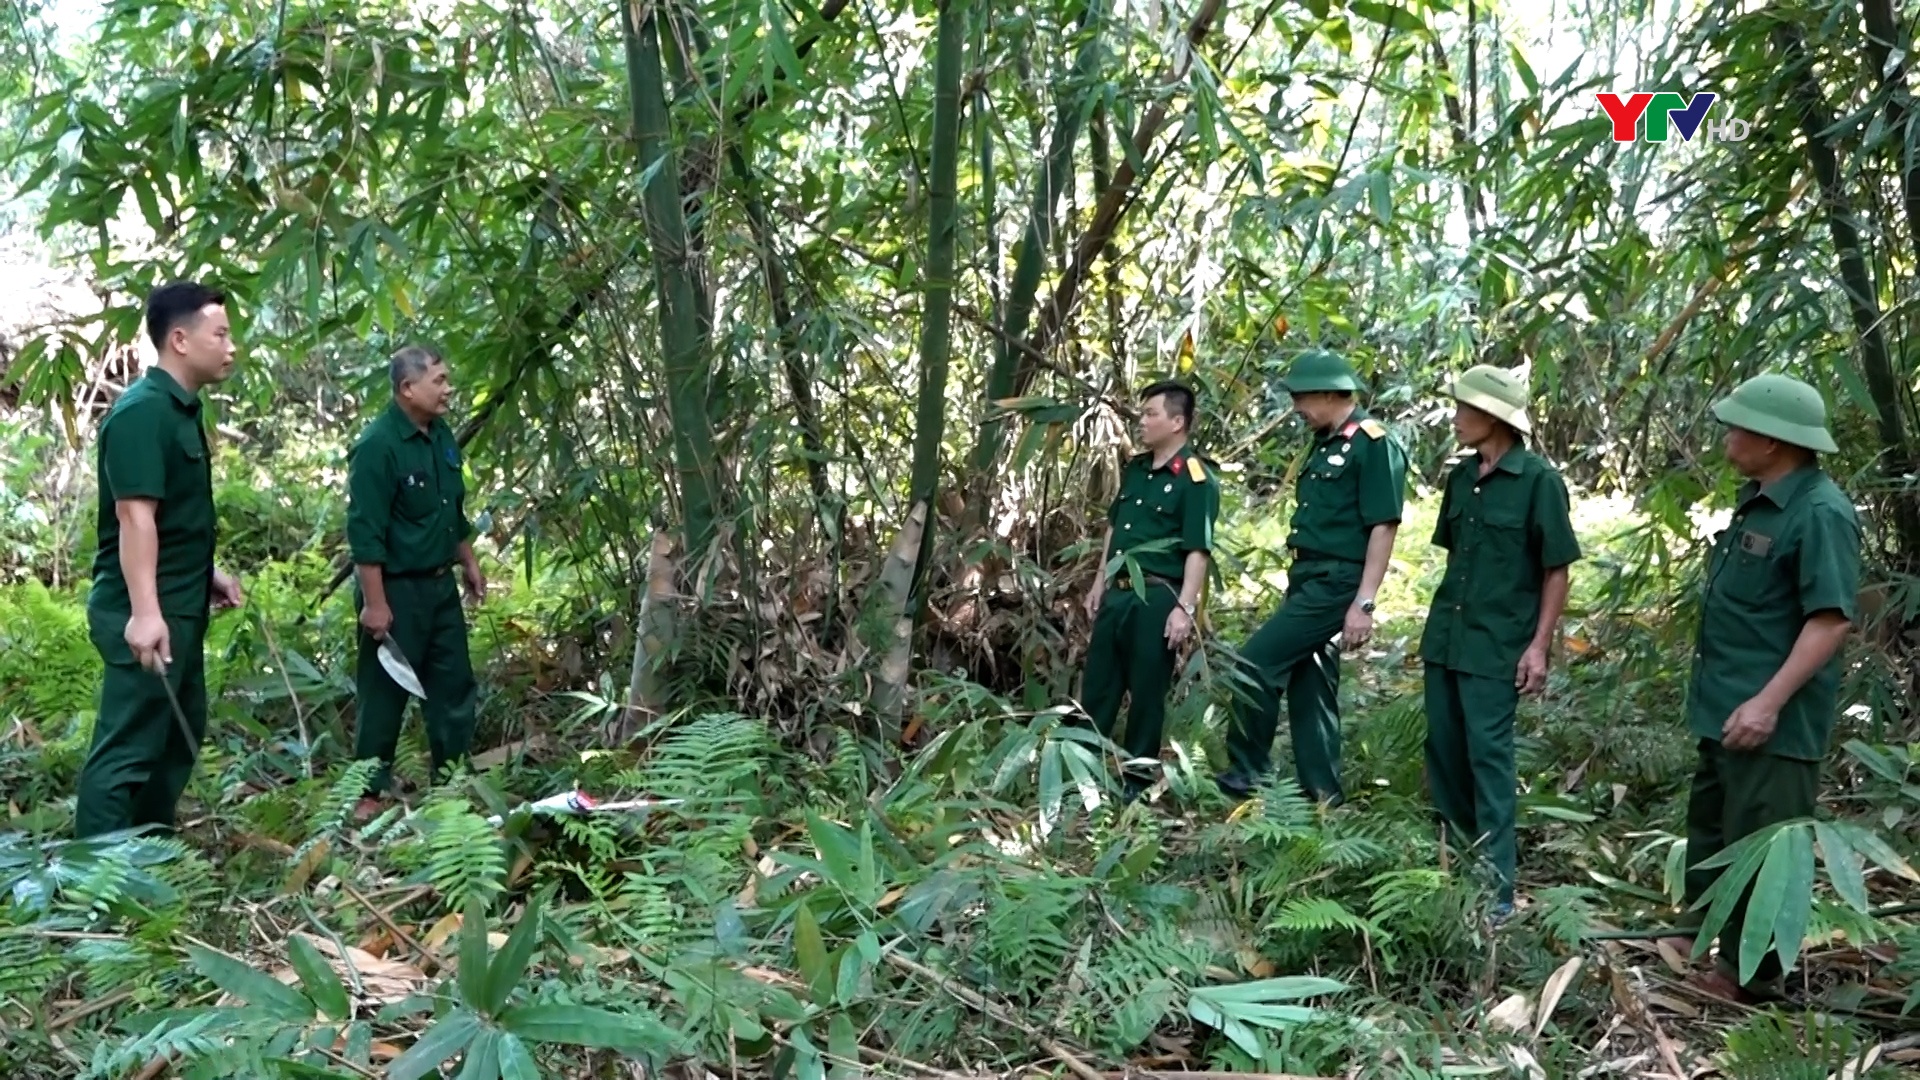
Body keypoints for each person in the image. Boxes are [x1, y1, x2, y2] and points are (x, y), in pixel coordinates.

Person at [1662, 373, 1860, 1002]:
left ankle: (1752, 977)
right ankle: (1705, 940)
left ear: (1773, 442)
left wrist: (1769, 702)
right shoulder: (1761, 499)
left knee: (1764, 847)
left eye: (1737, 425)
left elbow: (1829, 619)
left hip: (1773, 720)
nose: (1728, 435)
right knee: (1716, 828)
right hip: (1726, 703)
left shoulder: (1820, 513)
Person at [75, 280, 246, 837]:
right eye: (219, 334)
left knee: (177, 732)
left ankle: (146, 852)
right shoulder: (142, 413)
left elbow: (168, 517)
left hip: (179, 600)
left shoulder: (179, 410)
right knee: (129, 744)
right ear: (179, 339)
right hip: (143, 609)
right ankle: (93, 881)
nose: (231, 346)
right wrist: (145, 613)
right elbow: (135, 517)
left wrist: (206, 572)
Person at [1418, 365, 1581, 921]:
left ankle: (1496, 891)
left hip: (1498, 645)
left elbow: (1556, 570)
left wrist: (1539, 646)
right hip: (1447, 639)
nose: (1456, 418)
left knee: (1489, 760)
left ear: (1494, 417)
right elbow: (1456, 557)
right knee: (1443, 751)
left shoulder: (1539, 482)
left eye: (1465, 409)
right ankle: (1457, 866)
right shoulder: (1461, 479)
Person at [1218, 349, 1407, 803]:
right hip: (1307, 575)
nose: (1296, 408)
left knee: (1254, 664)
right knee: (1311, 684)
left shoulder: (1374, 442)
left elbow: (1384, 525)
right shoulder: (1324, 442)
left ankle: (1248, 771)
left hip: (1337, 580)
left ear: (1329, 392)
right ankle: (1322, 793)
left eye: (1302, 397)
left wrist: (1364, 602)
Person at [346, 344, 486, 817]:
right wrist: (375, 603)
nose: (448, 390)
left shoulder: (440, 435)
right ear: (408, 388)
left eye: (447, 380)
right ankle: (366, 792)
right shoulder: (377, 447)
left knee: (453, 685)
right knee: (384, 695)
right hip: (395, 589)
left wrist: (467, 561)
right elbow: (365, 532)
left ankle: (451, 780)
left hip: (439, 587)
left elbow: (451, 509)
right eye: (439, 381)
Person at [1081, 380, 1220, 799]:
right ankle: (1079, 771)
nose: (1141, 421)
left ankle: (1135, 784)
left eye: (1151, 414)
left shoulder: (1196, 479)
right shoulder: (1137, 469)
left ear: (1178, 422)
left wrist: (1184, 607)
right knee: (1098, 685)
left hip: (1157, 595)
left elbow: (1198, 549)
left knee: (1146, 692)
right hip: (1119, 592)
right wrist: (1099, 580)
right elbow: (1114, 528)